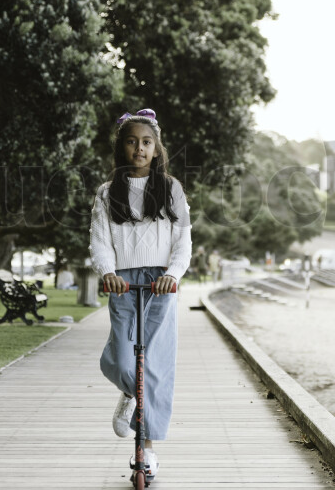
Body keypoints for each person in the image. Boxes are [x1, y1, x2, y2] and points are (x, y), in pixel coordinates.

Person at [89, 108, 191, 481]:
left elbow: (183, 241)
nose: (140, 148)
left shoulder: (171, 188)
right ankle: (130, 391)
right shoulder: (106, 193)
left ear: (156, 147)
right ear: (122, 147)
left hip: (161, 281)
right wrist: (108, 273)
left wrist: (173, 274)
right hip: (123, 281)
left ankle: (147, 452)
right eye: (132, 142)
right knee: (119, 356)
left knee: (158, 364)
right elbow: (100, 242)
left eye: (146, 142)